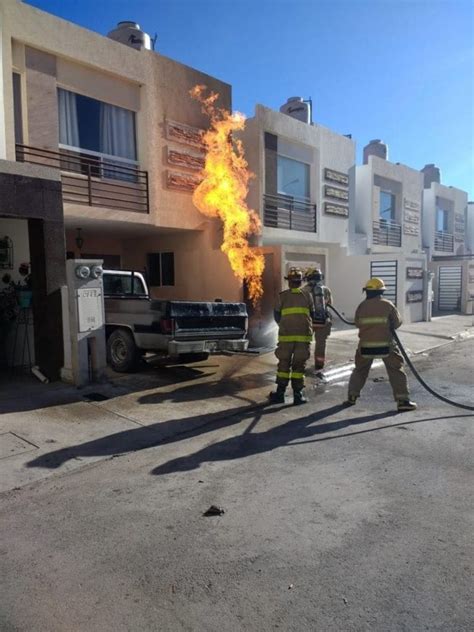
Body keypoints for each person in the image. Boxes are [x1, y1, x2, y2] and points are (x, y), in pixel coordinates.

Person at [344, 277, 417, 412]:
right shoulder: (388, 305)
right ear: (381, 292)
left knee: (360, 370)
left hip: (365, 347)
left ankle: (352, 397)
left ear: (367, 292)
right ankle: (403, 401)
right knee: (396, 370)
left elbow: (357, 323)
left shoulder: (361, 306)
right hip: (386, 346)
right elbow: (397, 323)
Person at [269, 267, 315, 405]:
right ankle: (297, 395)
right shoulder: (308, 296)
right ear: (300, 282)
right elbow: (312, 315)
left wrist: (285, 325)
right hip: (303, 338)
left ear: (289, 282)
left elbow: (277, 315)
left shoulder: (282, 296)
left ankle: (280, 394)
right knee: (299, 366)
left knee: (283, 365)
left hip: (286, 338)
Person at [304, 268, 333, 371]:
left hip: (308, 322)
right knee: (321, 344)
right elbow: (330, 305)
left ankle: (302, 363)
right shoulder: (326, 290)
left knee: (305, 343)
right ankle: (319, 364)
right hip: (323, 322)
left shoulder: (303, 291)